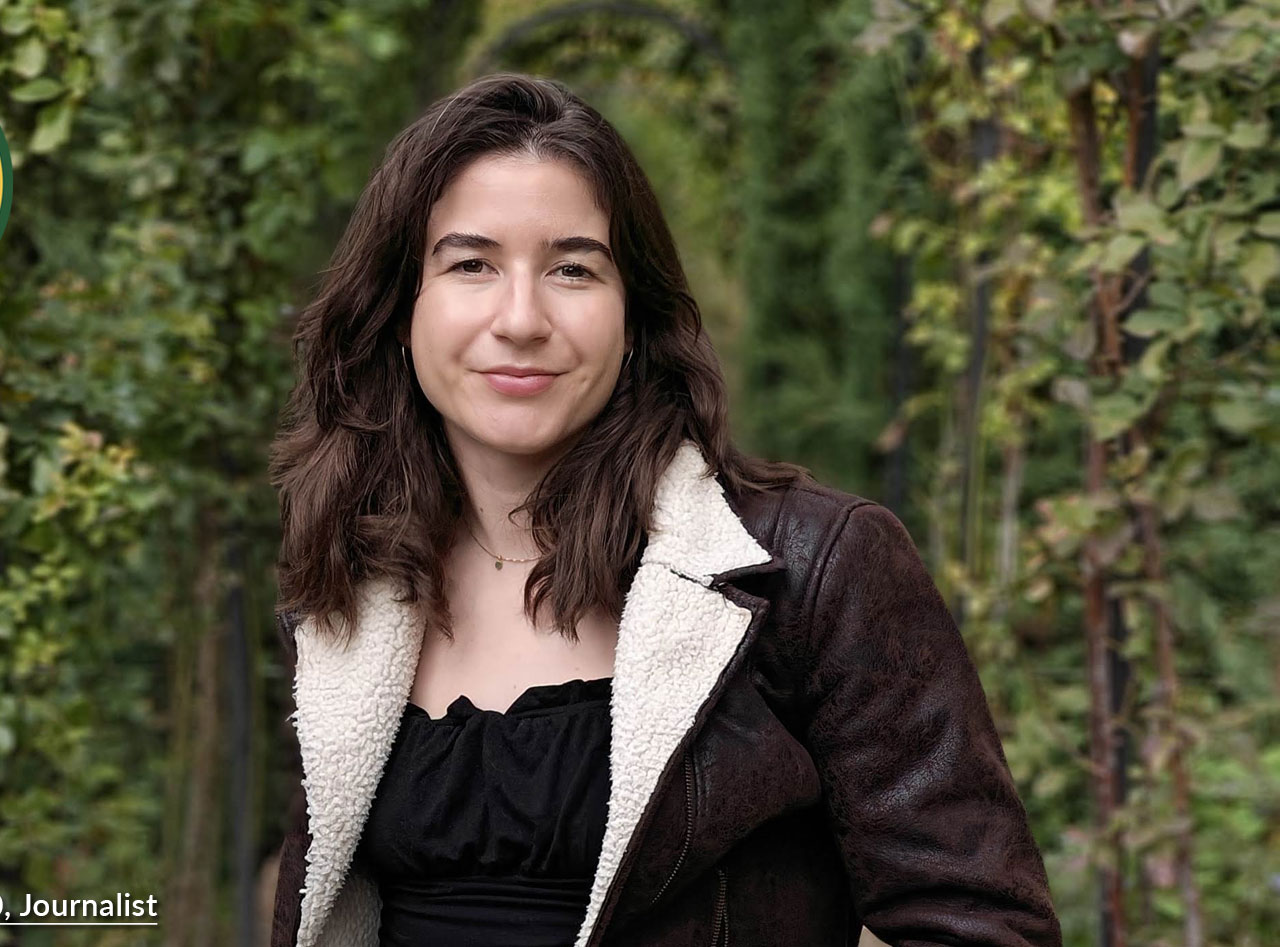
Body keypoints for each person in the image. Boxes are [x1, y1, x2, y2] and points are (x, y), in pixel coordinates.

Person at [267, 73, 1061, 947]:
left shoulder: (814, 568)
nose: (521, 317)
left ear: (634, 316)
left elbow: (982, 925)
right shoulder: (349, 576)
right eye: (471, 264)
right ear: (399, 309)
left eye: (573, 268)